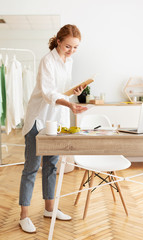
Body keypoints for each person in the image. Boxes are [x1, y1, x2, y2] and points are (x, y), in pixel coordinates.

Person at [19, 24, 87, 233]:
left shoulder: (69, 61)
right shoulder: (47, 61)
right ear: (58, 41)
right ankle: (24, 216)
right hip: (39, 120)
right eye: (68, 46)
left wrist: (74, 91)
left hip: (56, 120)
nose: (71, 51)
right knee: (31, 168)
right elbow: (49, 93)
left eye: (75, 47)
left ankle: (49, 208)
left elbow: (61, 90)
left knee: (52, 166)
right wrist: (69, 104)